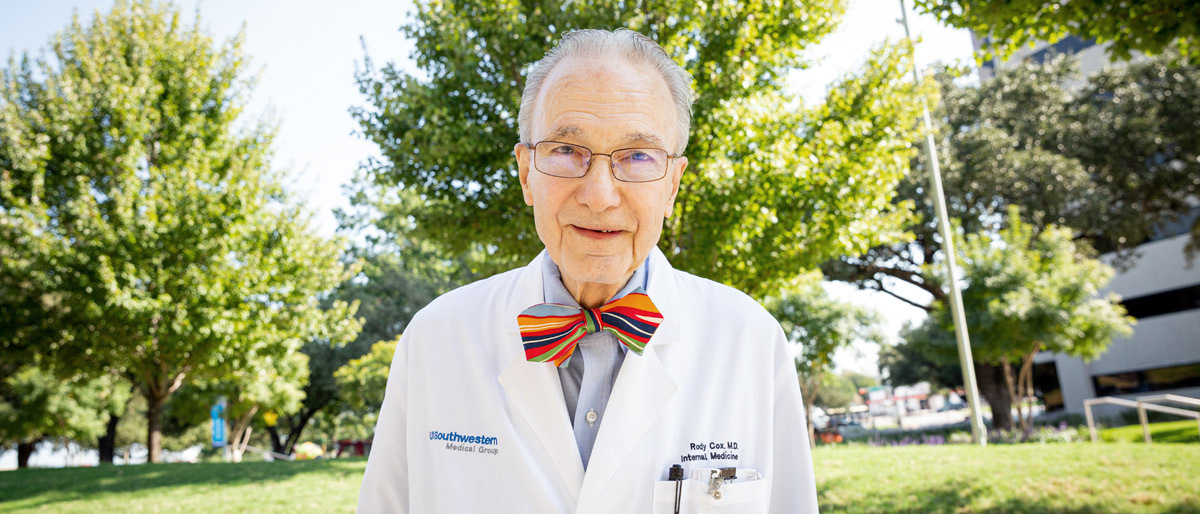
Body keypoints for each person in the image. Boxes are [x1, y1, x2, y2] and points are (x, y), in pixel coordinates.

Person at [357, 28, 818, 514]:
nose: (599, 194)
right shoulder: (435, 340)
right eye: (565, 151)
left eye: (638, 156)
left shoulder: (752, 341)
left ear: (672, 186)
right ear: (525, 173)